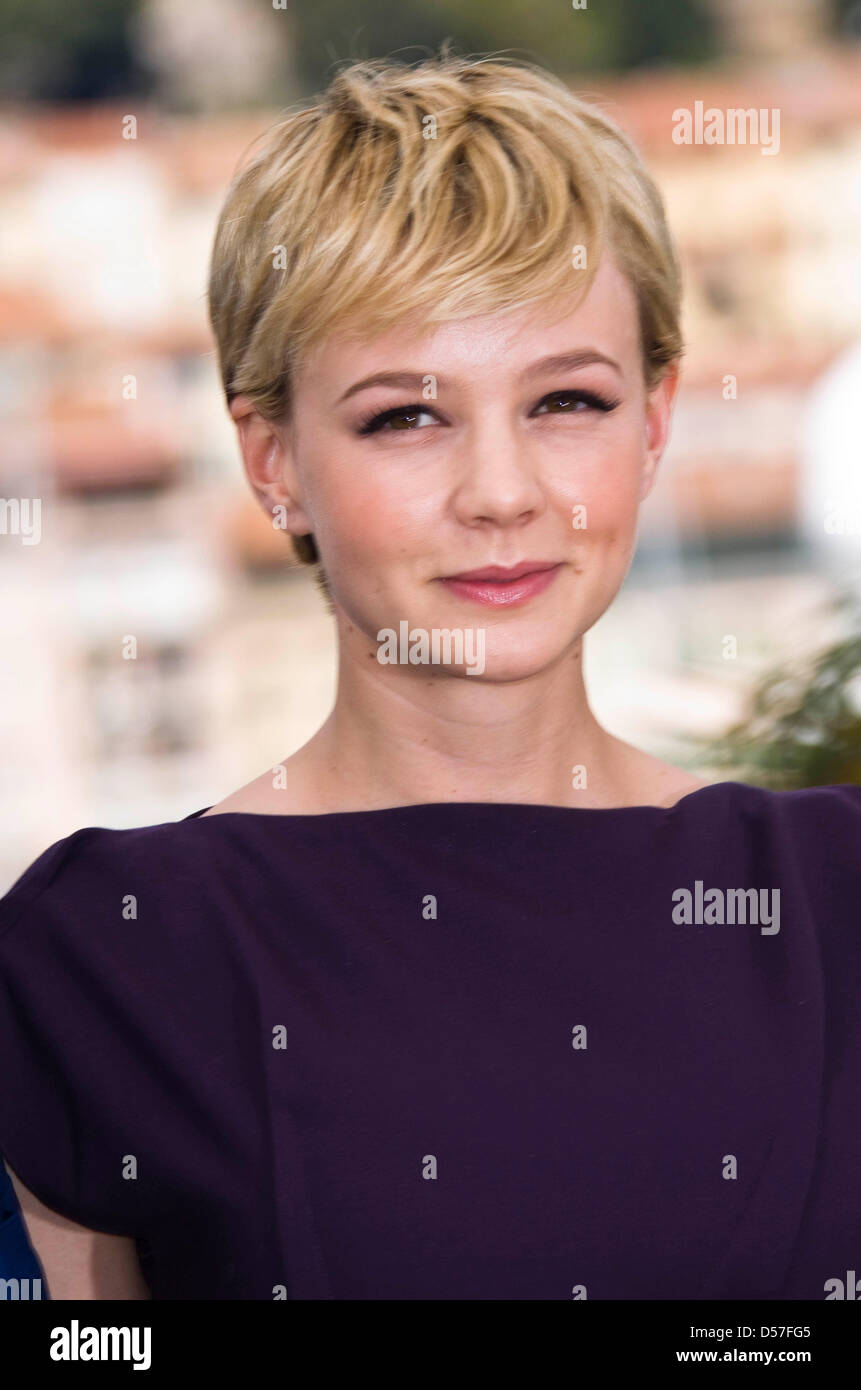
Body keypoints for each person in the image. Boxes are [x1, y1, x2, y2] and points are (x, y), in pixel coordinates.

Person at [1, 51, 859, 1301]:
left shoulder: (836, 897)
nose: (502, 492)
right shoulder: (111, 956)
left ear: (658, 420)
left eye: (568, 399)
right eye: (407, 415)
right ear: (273, 455)